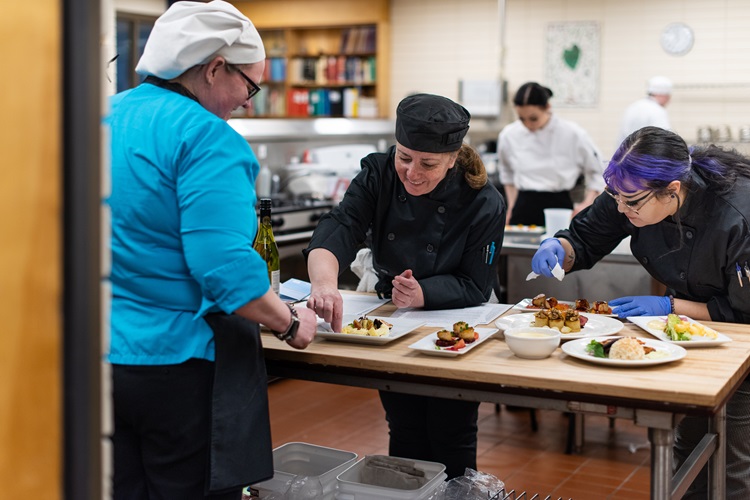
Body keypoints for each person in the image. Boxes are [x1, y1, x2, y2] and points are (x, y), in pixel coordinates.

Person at [106, 2, 317, 498]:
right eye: (249, 84)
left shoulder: (101, 116)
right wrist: (288, 322)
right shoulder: (208, 139)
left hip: (99, 360)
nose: (248, 100)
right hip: (178, 368)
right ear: (215, 67)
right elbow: (222, 269)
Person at [531, 126, 750, 498]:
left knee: (732, 459)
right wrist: (560, 246)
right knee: (691, 446)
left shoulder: (738, 215)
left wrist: (671, 306)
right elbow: (585, 237)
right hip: (691, 332)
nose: (620, 208)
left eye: (630, 202)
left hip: (741, 335)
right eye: (616, 196)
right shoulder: (632, 190)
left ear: (674, 190)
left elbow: (745, 313)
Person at [304, 93, 506, 478]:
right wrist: (324, 283)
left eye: (428, 163)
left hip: (460, 320)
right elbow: (341, 226)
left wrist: (423, 293)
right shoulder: (378, 174)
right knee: (405, 424)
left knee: (452, 431)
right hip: (393, 319)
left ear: (452, 158)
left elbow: (476, 285)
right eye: (404, 157)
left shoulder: (483, 200)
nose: (412, 172)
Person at [497, 81, 604, 226]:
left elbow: (597, 171)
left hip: (559, 205)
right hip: (523, 206)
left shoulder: (572, 134)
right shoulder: (509, 135)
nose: (528, 124)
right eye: (522, 119)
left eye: (533, 118)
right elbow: (507, 174)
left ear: (548, 107)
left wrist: (587, 203)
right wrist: (511, 207)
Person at [617, 75, 672, 145]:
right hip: (646, 154)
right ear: (663, 95)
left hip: (625, 153)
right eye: (668, 97)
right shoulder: (657, 110)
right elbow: (664, 139)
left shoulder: (633, 106)